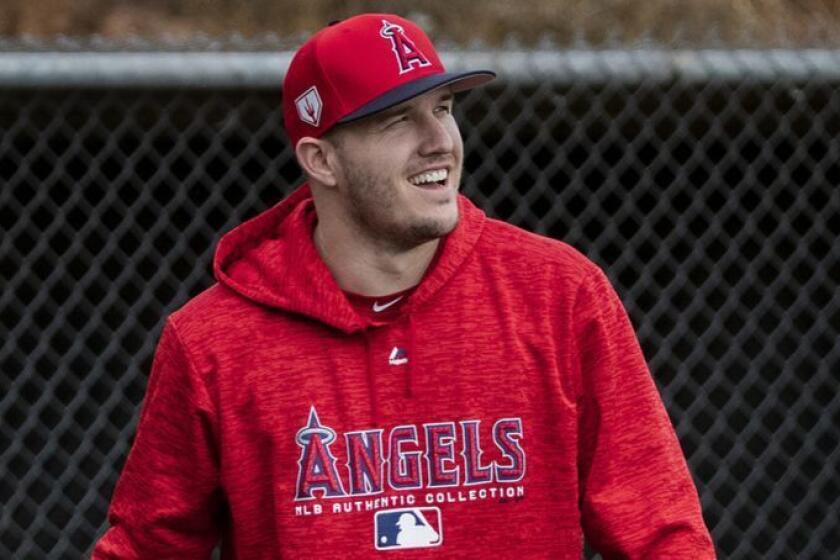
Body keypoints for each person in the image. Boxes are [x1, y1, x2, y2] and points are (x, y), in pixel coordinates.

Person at [92, 13, 716, 559]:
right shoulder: (214, 342)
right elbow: (147, 548)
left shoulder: (561, 295)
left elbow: (661, 533)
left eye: (443, 109)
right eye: (397, 121)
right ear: (321, 160)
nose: (439, 141)